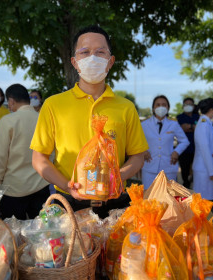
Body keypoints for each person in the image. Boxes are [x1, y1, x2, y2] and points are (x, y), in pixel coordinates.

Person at [30, 25, 148, 217]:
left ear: (110, 62)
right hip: (69, 202)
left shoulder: (126, 107)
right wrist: (67, 186)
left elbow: (138, 157)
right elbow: (39, 158)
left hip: (115, 201)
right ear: (74, 62)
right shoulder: (54, 104)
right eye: (84, 52)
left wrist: (117, 178)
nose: (92, 58)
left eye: (100, 52)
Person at [0, 84, 50, 220]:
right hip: (41, 186)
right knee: (41, 233)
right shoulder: (43, 119)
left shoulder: (8, 121)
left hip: (13, 189)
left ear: (11, 101)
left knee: (14, 235)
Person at [142, 95, 189, 188]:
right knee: (149, 198)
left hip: (168, 166)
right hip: (149, 167)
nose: (161, 107)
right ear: (153, 108)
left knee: (168, 197)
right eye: (158, 105)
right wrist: (142, 151)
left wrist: (176, 152)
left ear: (168, 108)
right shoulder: (144, 124)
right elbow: (135, 141)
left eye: (164, 105)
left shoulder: (173, 124)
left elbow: (184, 141)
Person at [192, 98, 213, 203]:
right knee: (204, 201)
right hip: (205, 170)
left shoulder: (208, 123)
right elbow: (205, 149)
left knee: (210, 199)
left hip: (209, 168)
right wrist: (212, 171)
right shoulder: (203, 125)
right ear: (212, 109)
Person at [177, 97, 200, 188]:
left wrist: (189, 127)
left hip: (196, 149)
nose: (188, 106)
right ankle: (186, 186)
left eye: (190, 104)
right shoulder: (180, 117)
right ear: (183, 106)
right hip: (184, 150)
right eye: (186, 104)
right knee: (185, 171)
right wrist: (193, 127)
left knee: (196, 170)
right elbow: (182, 128)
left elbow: (198, 129)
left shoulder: (198, 117)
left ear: (194, 106)